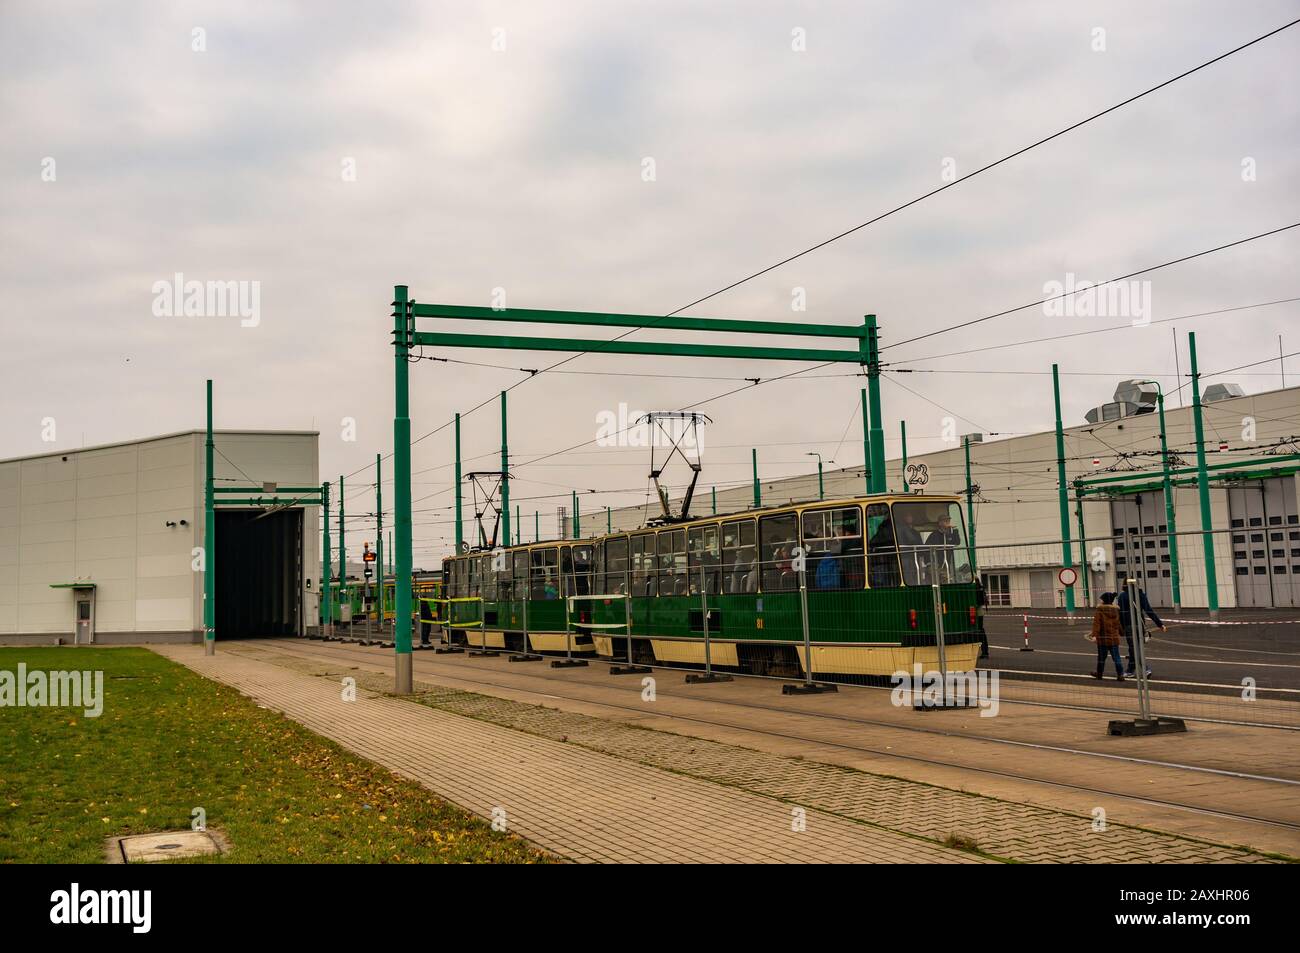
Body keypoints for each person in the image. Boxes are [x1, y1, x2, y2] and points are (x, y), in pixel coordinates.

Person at [1117, 585, 1165, 677]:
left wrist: (1120, 627)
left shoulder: (1122, 596)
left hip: (1129, 626)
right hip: (1140, 625)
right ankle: (1130, 670)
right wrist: (1159, 624)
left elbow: (1120, 613)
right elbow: (1149, 610)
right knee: (1135, 648)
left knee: (1134, 648)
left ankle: (1145, 669)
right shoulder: (1141, 595)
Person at [1089, 592, 1125, 681]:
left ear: (1104, 601)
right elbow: (1118, 623)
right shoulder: (1115, 611)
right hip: (1114, 639)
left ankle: (1099, 674)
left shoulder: (1100, 611)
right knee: (1116, 657)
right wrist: (1122, 632)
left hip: (1103, 639)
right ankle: (1120, 674)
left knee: (1101, 658)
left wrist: (1094, 635)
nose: (1100, 601)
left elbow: (1097, 624)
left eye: (1101, 599)